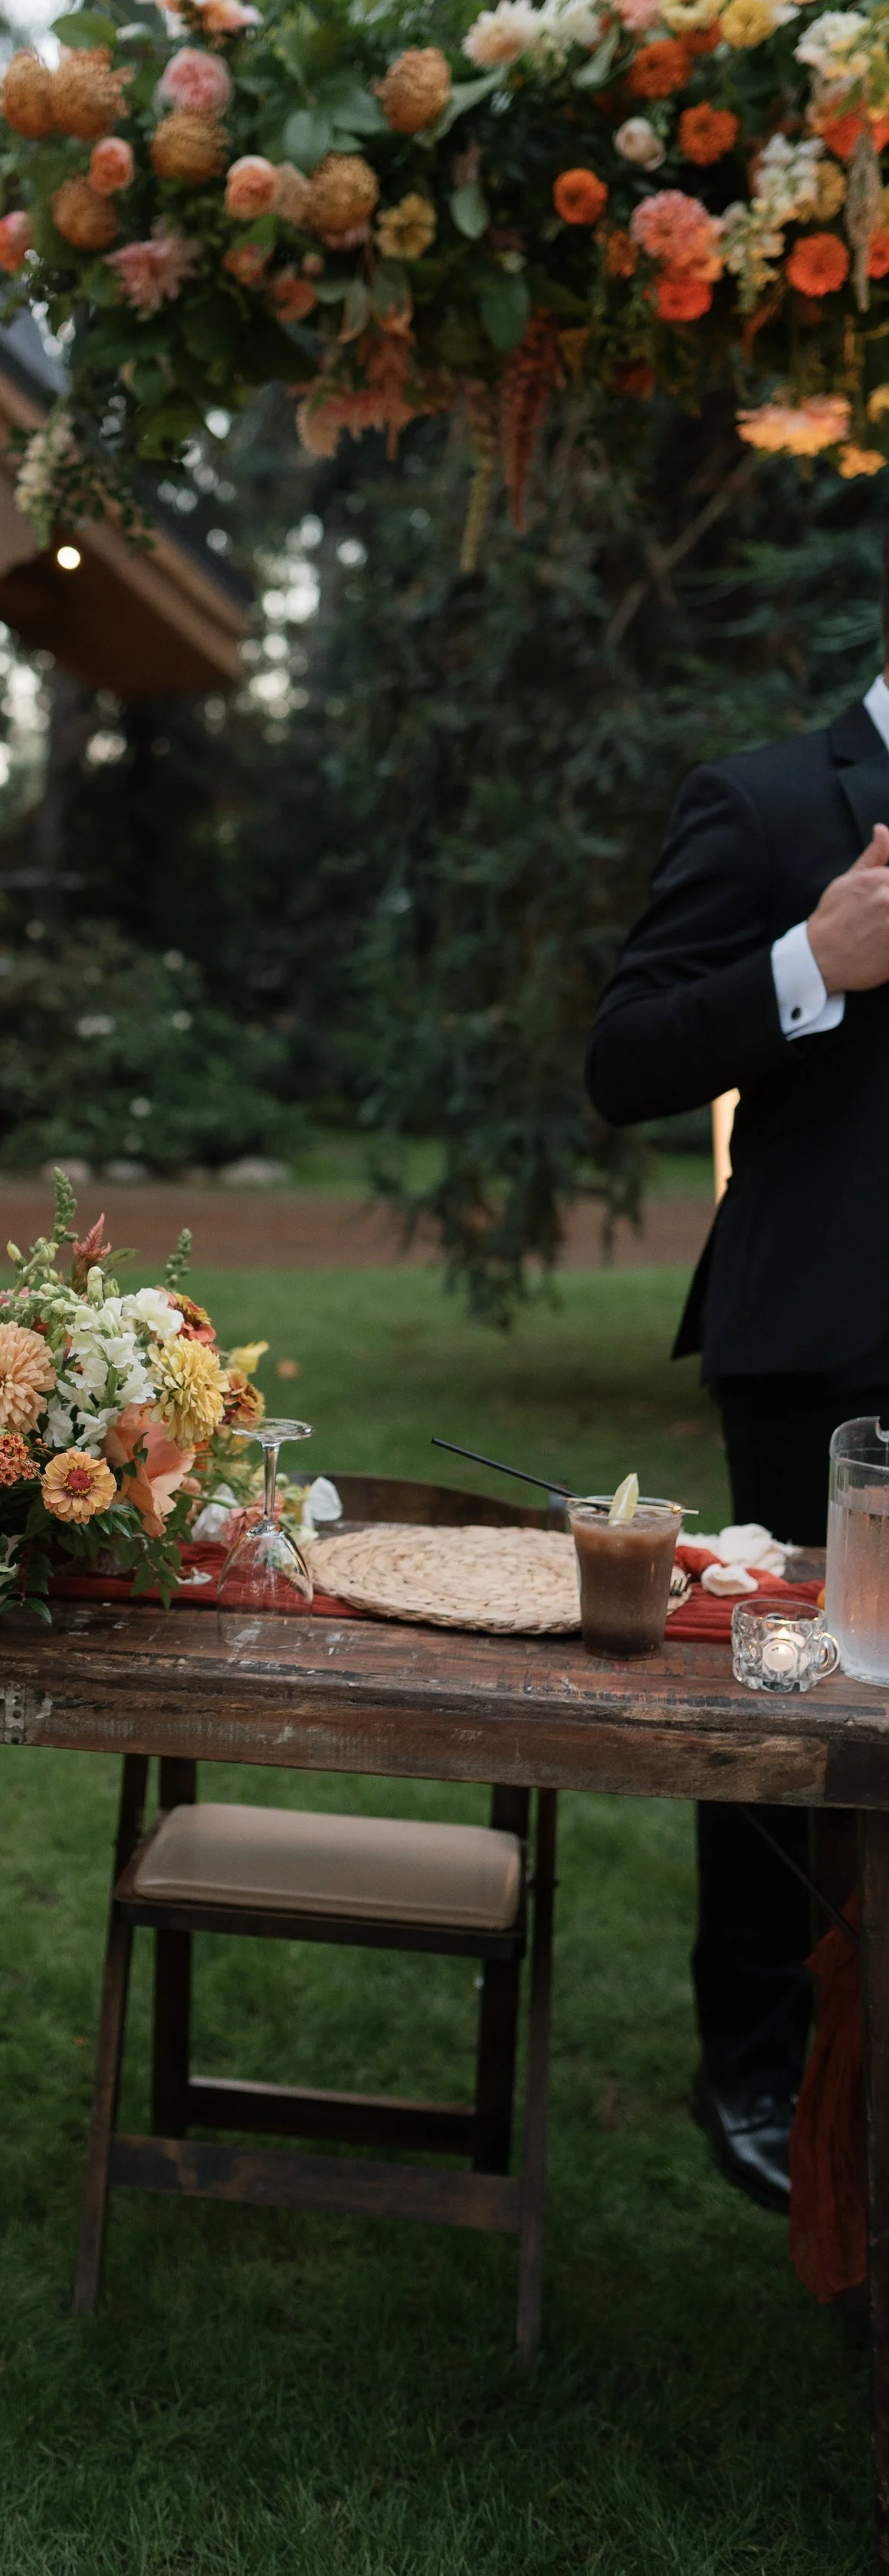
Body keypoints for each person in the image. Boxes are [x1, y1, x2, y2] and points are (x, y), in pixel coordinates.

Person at [586, 665, 889, 2213]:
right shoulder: (766, 798)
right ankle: (757, 2063)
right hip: (830, 1352)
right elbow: (622, 1057)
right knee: (789, 1717)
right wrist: (808, 961)